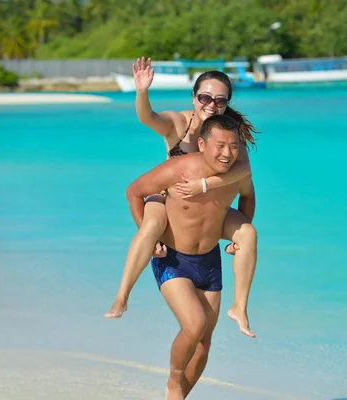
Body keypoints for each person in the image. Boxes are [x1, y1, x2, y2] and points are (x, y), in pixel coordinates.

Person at [105, 57, 258, 338]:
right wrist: (141, 92)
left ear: (227, 104)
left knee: (247, 233)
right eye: (205, 97)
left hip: (208, 208)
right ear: (194, 96)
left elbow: (245, 172)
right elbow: (147, 117)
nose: (211, 105)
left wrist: (204, 185)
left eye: (219, 101)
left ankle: (240, 307)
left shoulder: (228, 135)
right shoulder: (179, 124)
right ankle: (122, 296)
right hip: (166, 199)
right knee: (151, 227)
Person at [126, 114, 255, 399]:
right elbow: (135, 191)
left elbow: (247, 194)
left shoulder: (238, 171)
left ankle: (178, 396)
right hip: (172, 256)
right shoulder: (180, 162)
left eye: (233, 147)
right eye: (220, 145)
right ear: (202, 143)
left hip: (208, 258)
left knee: (204, 342)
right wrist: (150, 234)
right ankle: (174, 379)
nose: (227, 153)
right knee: (194, 325)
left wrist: (236, 236)